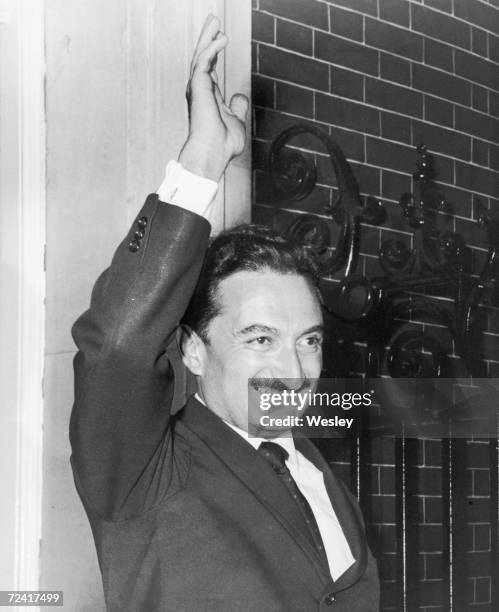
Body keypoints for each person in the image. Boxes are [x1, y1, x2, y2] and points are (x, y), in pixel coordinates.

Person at [70, 15, 379, 612]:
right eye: (259, 339)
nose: (292, 370)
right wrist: (204, 160)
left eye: (308, 341)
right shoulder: (147, 471)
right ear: (192, 347)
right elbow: (116, 348)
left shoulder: (319, 475)